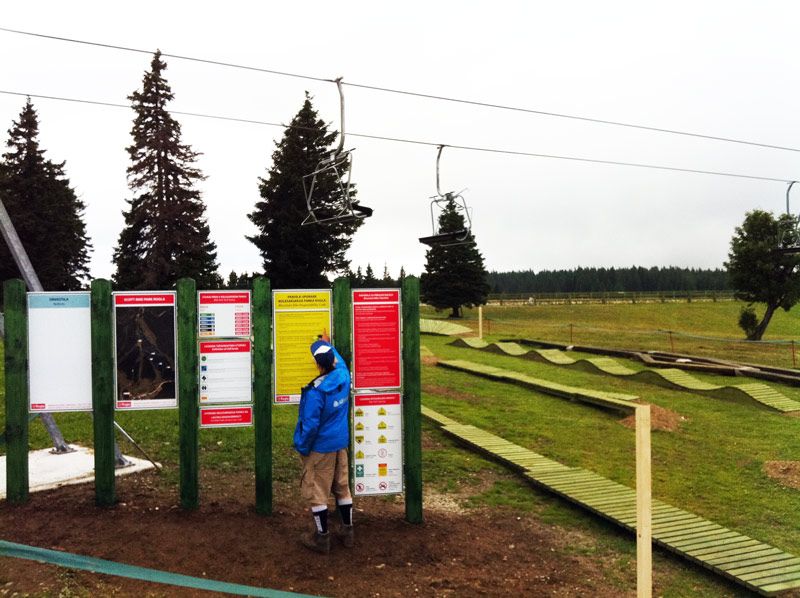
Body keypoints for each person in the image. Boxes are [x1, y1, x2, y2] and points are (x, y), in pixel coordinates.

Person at [293, 333, 354, 554]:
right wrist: (327, 345)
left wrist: (301, 445)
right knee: (342, 486)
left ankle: (322, 537)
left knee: (317, 491)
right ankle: (347, 531)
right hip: (340, 444)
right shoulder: (343, 376)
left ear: (318, 365)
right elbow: (339, 362)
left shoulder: (316, 392)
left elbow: (309, 425)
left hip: (320, 448)